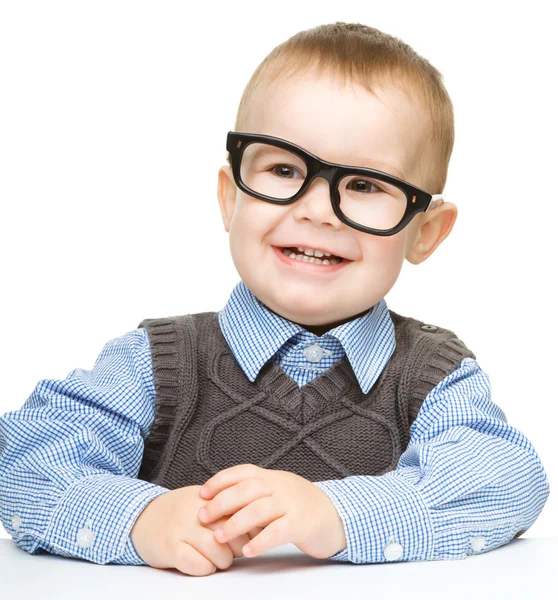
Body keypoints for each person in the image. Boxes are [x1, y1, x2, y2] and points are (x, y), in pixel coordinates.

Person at [0, 21, 550, 577]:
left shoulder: (432, 375)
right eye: (284, 169)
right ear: (229, 198)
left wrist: (337, 513)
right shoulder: (155, 362)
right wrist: (141, 520)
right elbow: (26, 462)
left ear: (425, 232)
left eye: (363, 185)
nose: (317, 210)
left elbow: (506, 479)